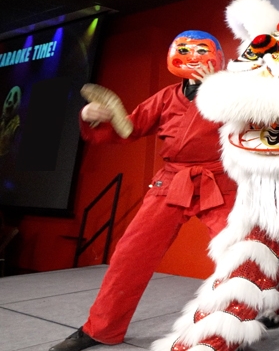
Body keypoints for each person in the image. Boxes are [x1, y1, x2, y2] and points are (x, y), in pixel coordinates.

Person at [50, 31, 236, 351]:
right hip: (171, 182)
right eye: (184, 49)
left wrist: (218, 90)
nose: (192, 55)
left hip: (220, 183)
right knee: (129, 255)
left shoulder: (234, 93)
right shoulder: (166, 97)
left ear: (217, 56)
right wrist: (93, 117)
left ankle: (234, 329)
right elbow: (130, 127)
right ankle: (101, 328)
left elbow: (256, 124)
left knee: (238, 256)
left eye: (201, 49)